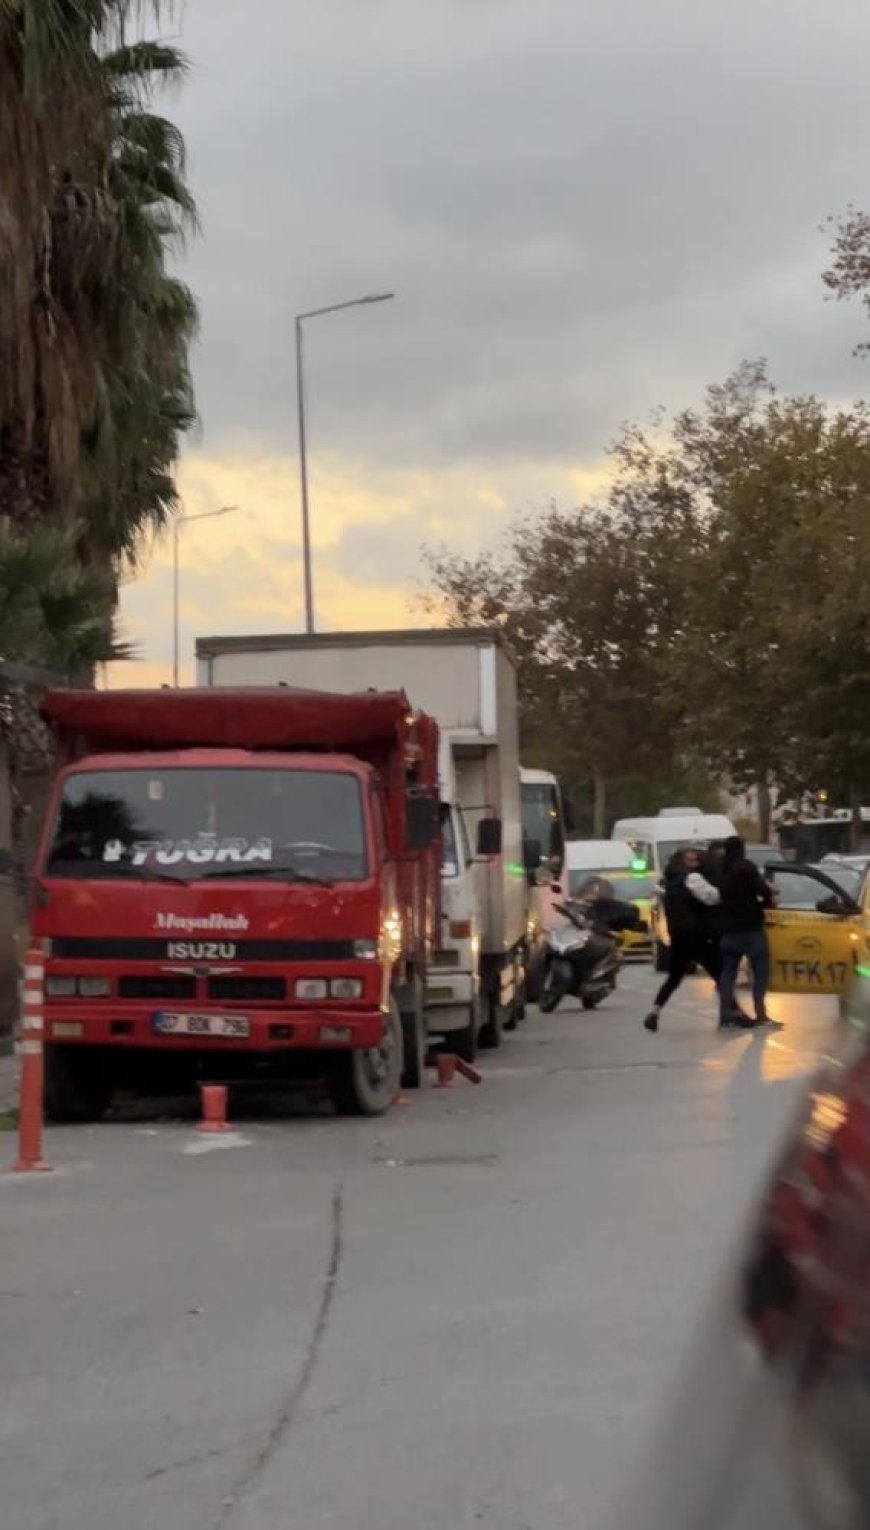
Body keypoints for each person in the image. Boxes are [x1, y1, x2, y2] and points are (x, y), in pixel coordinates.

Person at [643, 848, 737, 1033]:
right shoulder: (692, 878)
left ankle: (654, 1012)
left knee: (674, 978)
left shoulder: (670, 881)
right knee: (720, 973)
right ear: (683, 862)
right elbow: (712, 897)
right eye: (692, 861)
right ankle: (732, 1014)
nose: (696, 863)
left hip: (678, 936)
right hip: (697, 934)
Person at [717, 835, 774, 1027]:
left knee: (728, 974)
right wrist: (767, 902)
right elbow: (762, 890)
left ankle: (726, 1012)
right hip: (751, 929)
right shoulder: (746, 867)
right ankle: (760, 1012)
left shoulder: (722, 870)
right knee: (760, 971)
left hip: (728, 930)